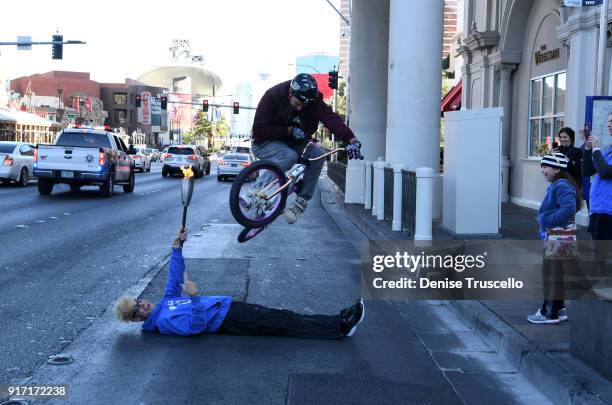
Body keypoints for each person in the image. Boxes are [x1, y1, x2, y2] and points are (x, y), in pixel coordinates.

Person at [114, 228, 365, 339]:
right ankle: (340, 326)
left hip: (228, 308)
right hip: (228, 319)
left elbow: (173, 277)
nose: (143, 303)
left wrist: (176, 246)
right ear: (137, 320)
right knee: (285, 323)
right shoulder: (164, 322)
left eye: (139, 300)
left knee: (285, 318)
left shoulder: (164, 305)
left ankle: (338, 322)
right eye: (138, 308)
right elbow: (195, 326)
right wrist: (194, 296)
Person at [251, 73, 363, 224]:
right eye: (297, 103)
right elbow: (259, 129)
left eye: (304, 105)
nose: (300, 108)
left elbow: (332, 119)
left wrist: (351, 139)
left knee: (318, 154)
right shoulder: (273, 95)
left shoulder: (313, 103)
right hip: (264, 143)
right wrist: (288, 130)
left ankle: (300, 203)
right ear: (291, 93)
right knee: (288, 156)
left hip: (294, 144)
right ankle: (255, 191)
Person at [528, 152, 582, 325]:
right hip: (563, 237)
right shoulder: (562, 184)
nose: (542, 170)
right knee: (557, 275)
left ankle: (548, 313)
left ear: (557, 168)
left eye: (545, 166)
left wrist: (546, 220)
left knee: (551, 275)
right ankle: (558, 310)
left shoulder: (561, 185)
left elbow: (568, 209)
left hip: (557, 238)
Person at [582, 113, 612, 241]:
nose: (608, 124)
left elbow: (605, 172)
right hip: (597, 209)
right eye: (609, 121)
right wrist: (588, 148)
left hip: (608, 211)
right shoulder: (609, 150)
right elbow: (587, 170)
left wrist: (596, 150)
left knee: (600, 256)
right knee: (598, 255)